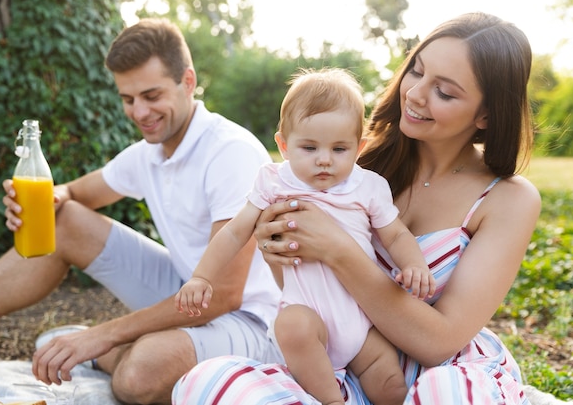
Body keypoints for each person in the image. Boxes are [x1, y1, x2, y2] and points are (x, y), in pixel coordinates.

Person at [171, 11, 541, 405]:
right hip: (341, 367)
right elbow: (305, 288)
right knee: (207, 383)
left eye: (445, 92)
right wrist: (278, 250)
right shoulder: (347, 164)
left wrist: (338, 249)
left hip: (444, 372)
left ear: (486, 114)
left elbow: (437, 344)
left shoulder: (507, 199)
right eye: (416, 72)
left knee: (445, 395)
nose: (415, 94)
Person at [0, 18, 282, 404]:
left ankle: (114, 351)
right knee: (67, 221)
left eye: (151, 95)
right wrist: (42, 203)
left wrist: (104, 334)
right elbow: (74, 194)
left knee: (140, 376)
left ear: (188, 82)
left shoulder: (230, 151)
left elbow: (222, 295)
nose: (139, 112)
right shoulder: (150, 153)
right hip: (187, 290)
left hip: (253, 320)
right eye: (128, 99)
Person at [175, 68, 435, 405]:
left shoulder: (368, 187)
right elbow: (236, 231)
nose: (324, 160)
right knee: (291, 326)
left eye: (339, 149)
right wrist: (201, 277)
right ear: (283, 145)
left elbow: (396, 235)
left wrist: (415, 265)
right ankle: (331, 400)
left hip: (362, 318)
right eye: (309, 147)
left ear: (360, 147)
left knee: (389, 385)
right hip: (307, 315)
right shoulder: (273, 182)